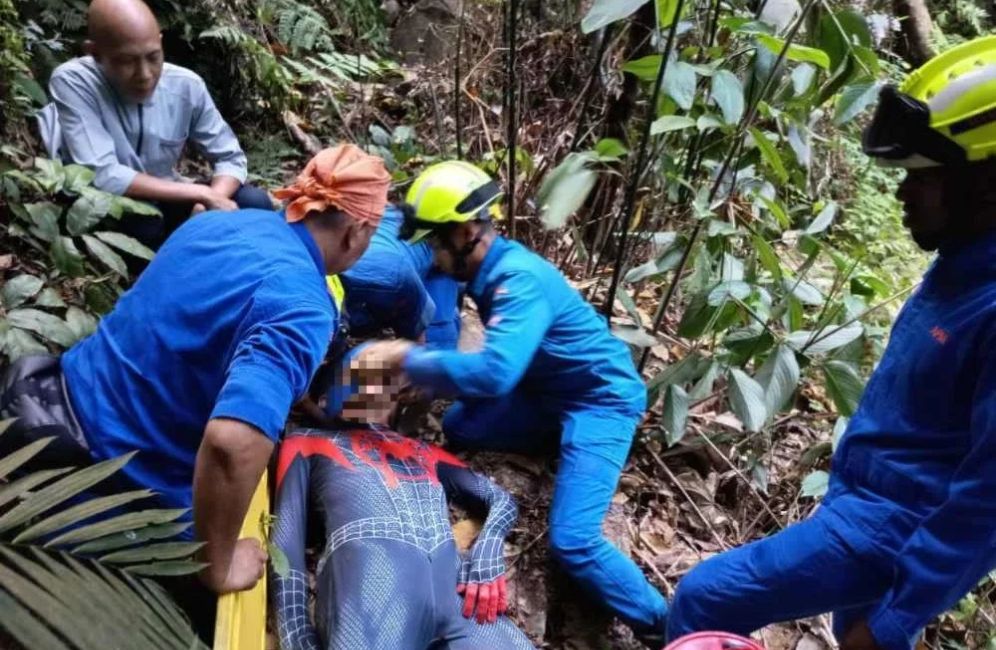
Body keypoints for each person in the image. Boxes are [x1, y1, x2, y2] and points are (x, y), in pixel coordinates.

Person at [665, 36, 996, 650]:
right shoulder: (963, 260)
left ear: (987, 182)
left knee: (707, 596)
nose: (902, 191)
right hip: (870, 495)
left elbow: (989, 502)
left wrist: (900, 614)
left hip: (892, 521)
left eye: (923, 177)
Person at [0, 145, 389, 603]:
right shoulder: (301, 305)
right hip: (115, 482)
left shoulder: (217, 222)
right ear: (357, 232)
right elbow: (230, 444)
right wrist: (218, 565)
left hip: (41, 403)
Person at [357, 161, 669, 644]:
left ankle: (665, 624)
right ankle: (555, 442)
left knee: (575, 542)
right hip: (543, 393)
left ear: (465, 233)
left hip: (600, 401)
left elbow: (496, 371)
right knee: (461, 427)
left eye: (435, 242)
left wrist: (409, 360)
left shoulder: (518, 280)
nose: (431, 254)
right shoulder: (483, 269)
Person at [270, 346, 534, 649]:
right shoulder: (308, 441)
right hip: (374, 587)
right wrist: (297, 635)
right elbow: (286, 540)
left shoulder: (423, 451)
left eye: (385, 385)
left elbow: (498, 499)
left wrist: (488, 549)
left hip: (459, 592)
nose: (376, 391)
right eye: (360, 380)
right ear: (326, 399)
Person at [36, 0, 273, 248]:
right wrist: (201, 194)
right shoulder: (74, 82)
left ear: (160, 42)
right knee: (143, 221)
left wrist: (212, 203)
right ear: (94, 54)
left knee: (254, 203)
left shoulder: (186, 86)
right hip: (108, 205)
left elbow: (230, 158)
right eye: (127, 61)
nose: (145, 74)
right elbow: (102, 174)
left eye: (153, 57)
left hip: (170, 198)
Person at [341, 204, 463, 349]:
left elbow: (417, 349)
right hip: (391, 224)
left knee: (436, 342)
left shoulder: (392, 279)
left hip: (431, 257)